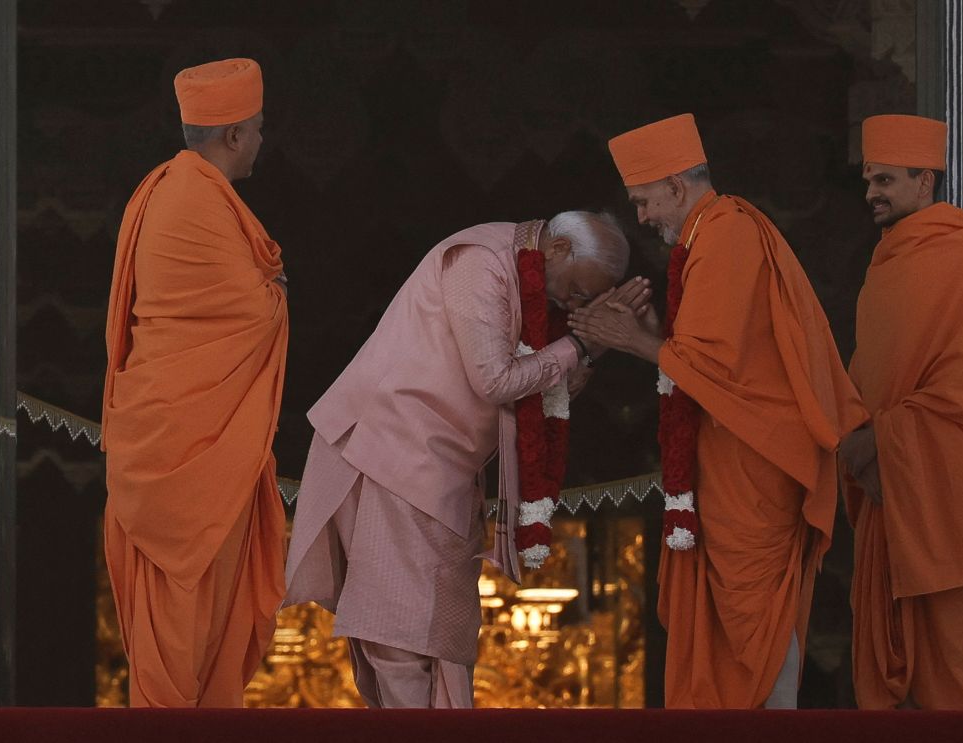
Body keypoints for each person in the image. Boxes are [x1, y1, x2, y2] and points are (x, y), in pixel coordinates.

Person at [569, 113, 866, 709]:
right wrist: (654, 332)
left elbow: (720, 369)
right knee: (728, 633)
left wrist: (632, 340)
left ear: (678, 187)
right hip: (729, 467)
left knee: (755, 627)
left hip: (754, 468)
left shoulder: (727, 233)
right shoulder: (711, 235)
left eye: (645, 201)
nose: (643, 217)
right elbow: (709, 351)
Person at [283, 213, 634, 708]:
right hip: (393, 452)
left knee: (439, 630)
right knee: (403, 634)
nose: (571, 305)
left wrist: (588, 351)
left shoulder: (527, 273)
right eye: (577, 291)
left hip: (438, 467)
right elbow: (494, 380)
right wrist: (578, 344)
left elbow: (544, 376)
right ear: (555, 249)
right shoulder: (480, 263)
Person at [101, 58, 288, 707]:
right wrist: (274, 295)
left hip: (190, 442)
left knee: (202, 627)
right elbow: (249, 312)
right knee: (183, 623)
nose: (263, 140)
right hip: (185, 450)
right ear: (235, 136)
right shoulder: (194, 197)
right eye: (259, 128)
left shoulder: (173, 189)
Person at [839, 114, 963, 710]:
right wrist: (857, 435)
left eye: (886, 181)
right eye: (869, 180)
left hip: (950, 492)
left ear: (926, 182)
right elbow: (870, 374)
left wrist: (876, 440)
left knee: (960, 666)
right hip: (893, 493)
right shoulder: (883, 267)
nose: (872, 192)